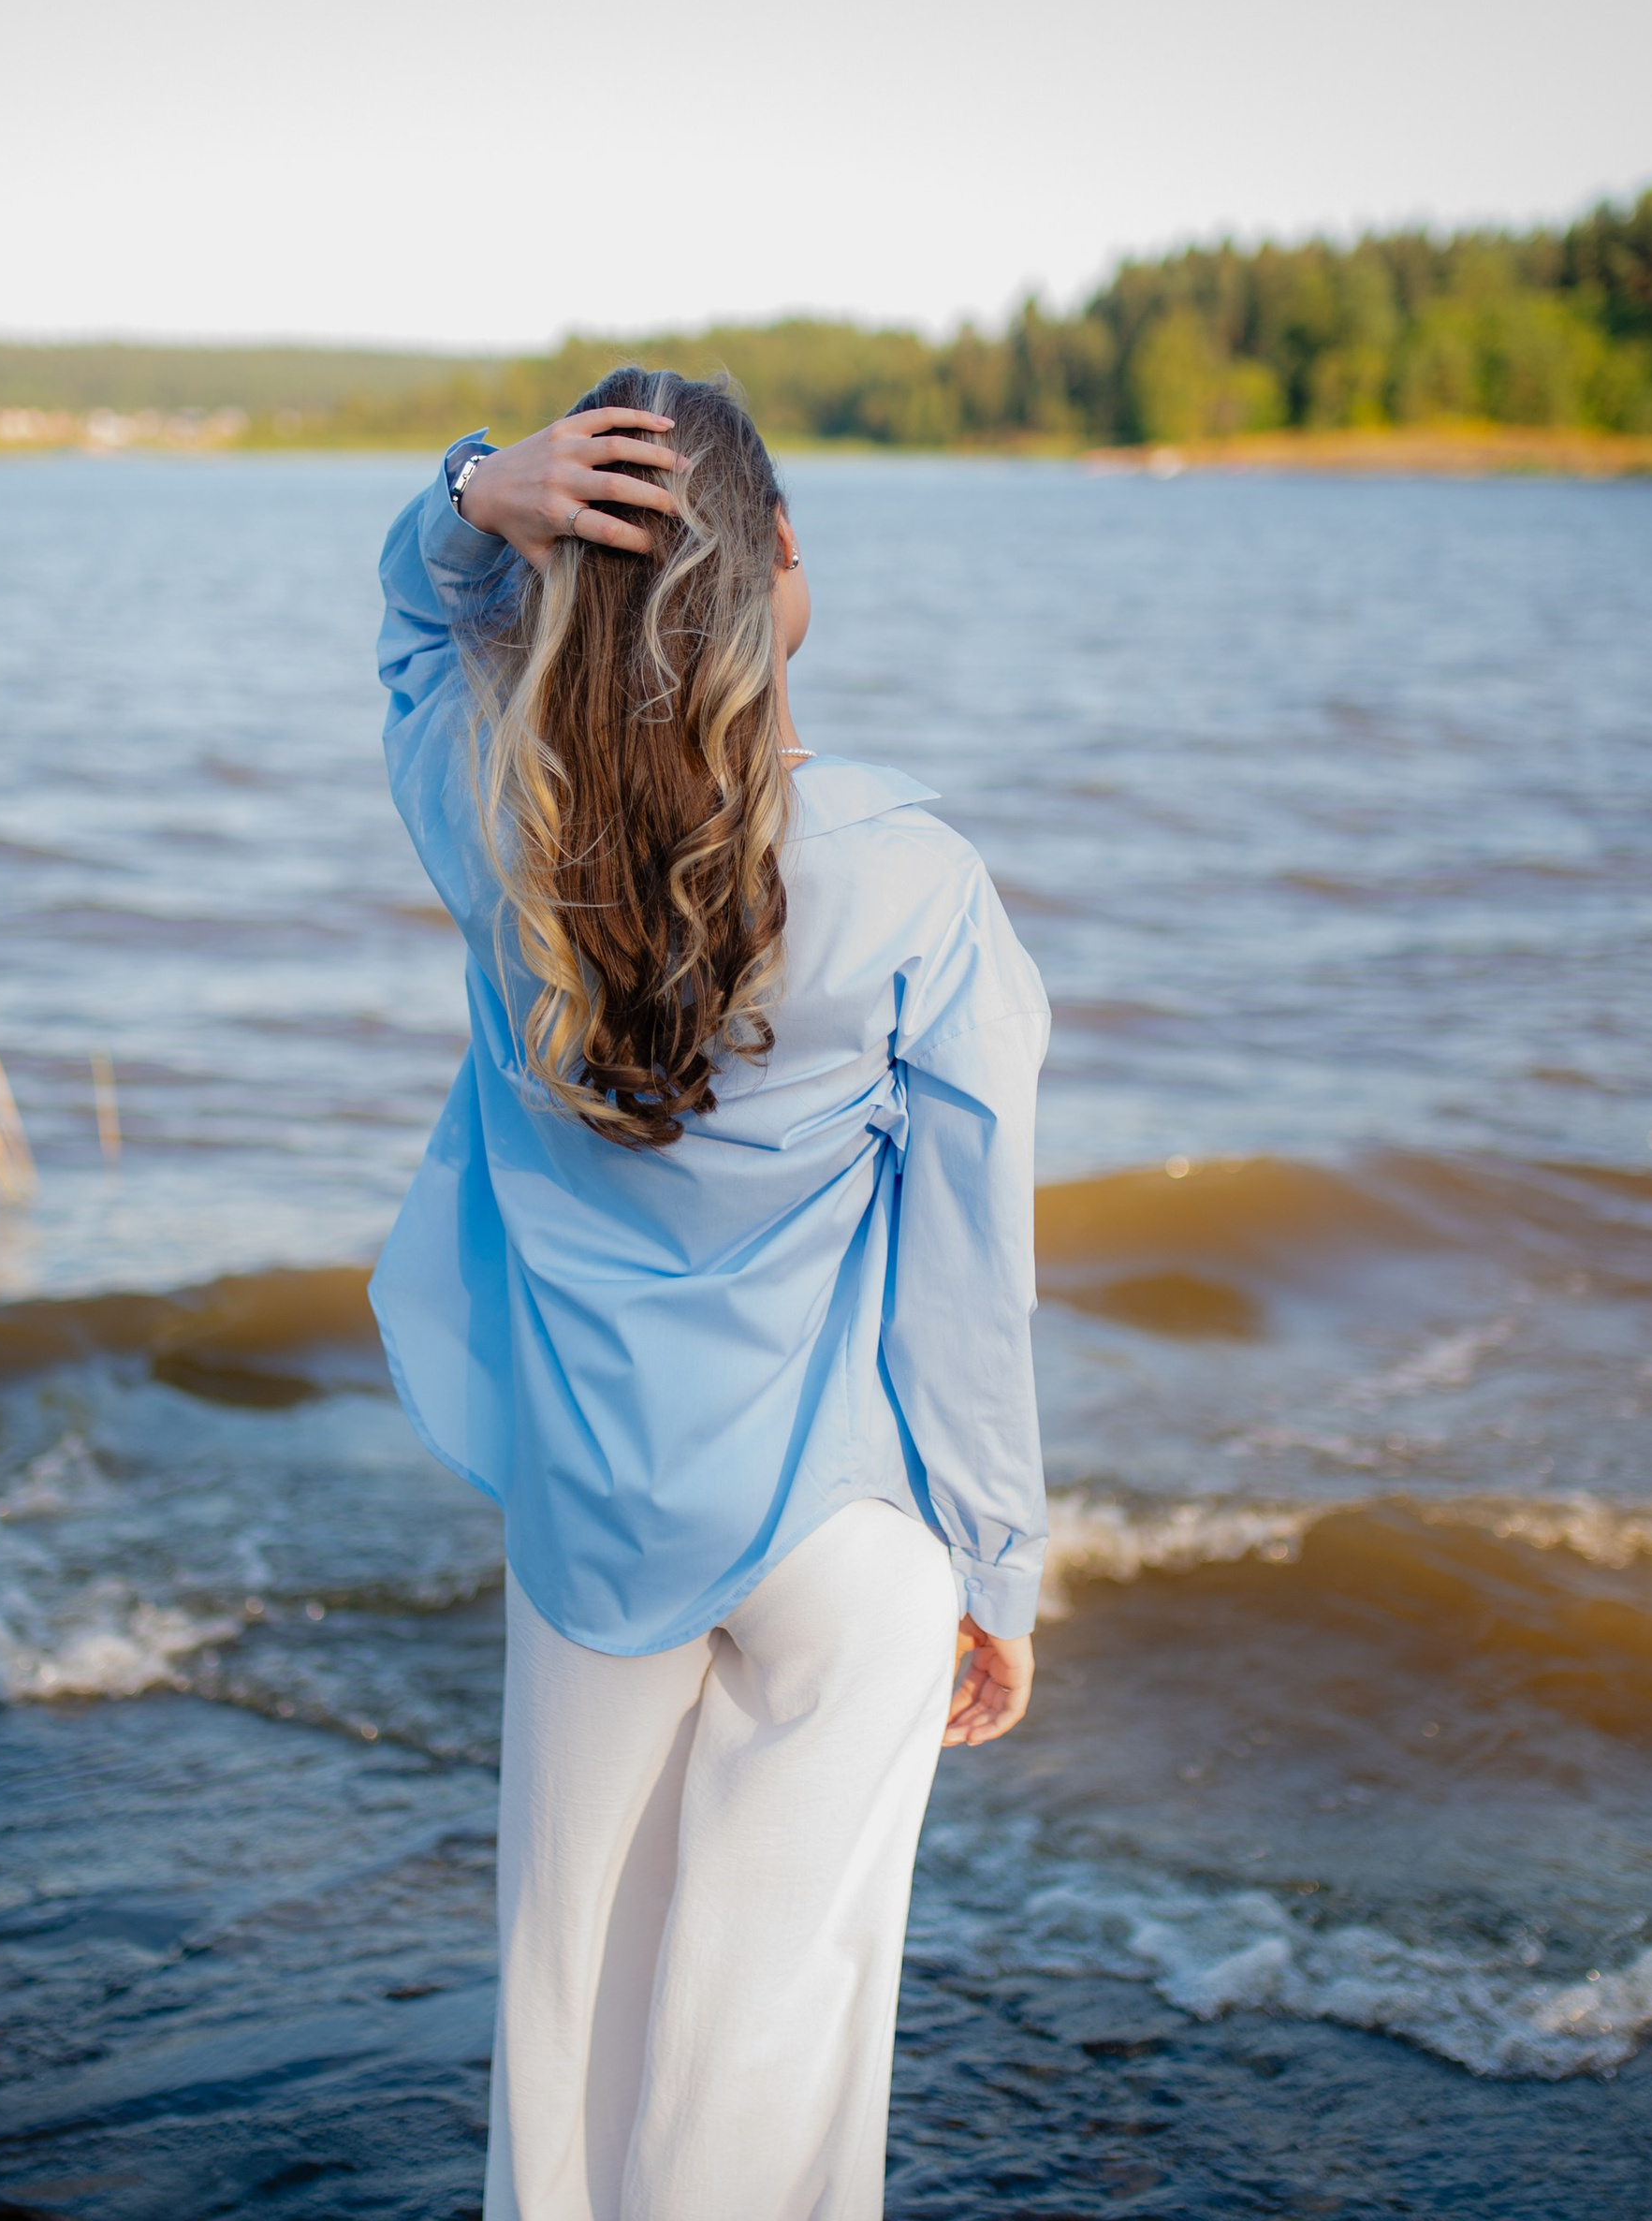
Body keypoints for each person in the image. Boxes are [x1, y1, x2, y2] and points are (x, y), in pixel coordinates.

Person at [369, 368, 1048, 2221]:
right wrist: (995, 1568)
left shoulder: (493, 840)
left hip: (593, 1528)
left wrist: (464, 497)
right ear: (773, 577)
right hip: (843, 1538)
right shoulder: (913, 883)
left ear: (552, 582)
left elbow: (415, 626)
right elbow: (973, 1287)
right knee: (779, 2039)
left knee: (570, 2007)